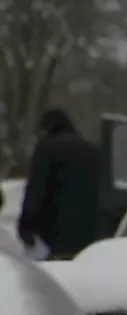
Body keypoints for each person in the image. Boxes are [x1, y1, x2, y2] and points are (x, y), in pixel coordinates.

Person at [18, 108, 102, 259]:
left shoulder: (46, 149)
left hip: (56, 241)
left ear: (46, 128)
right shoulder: (94, 152)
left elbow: (36, 191)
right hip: (90, 243)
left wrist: (25, 226)